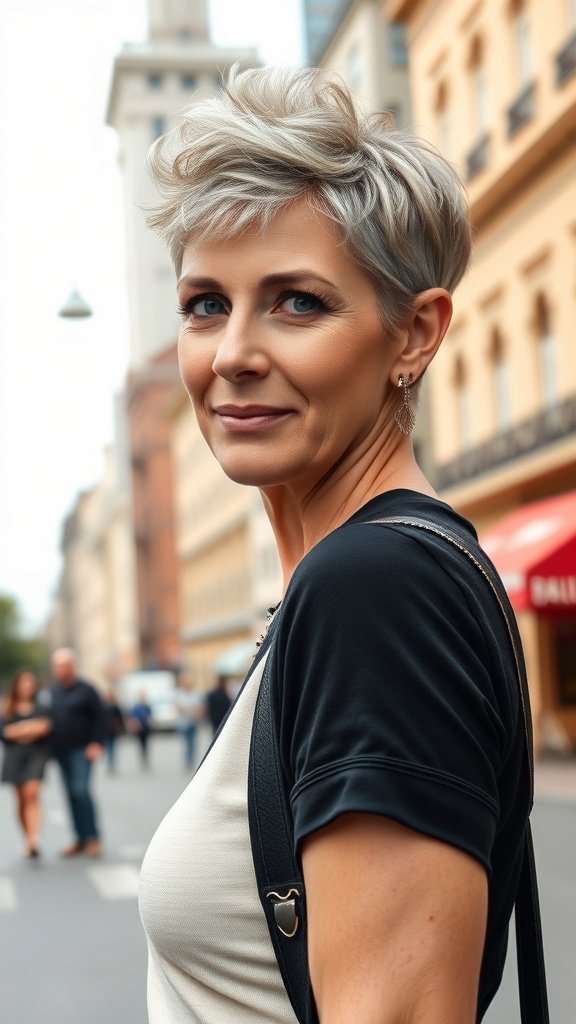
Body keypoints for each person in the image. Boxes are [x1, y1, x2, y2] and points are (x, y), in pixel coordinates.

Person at [137, 67, 537, 1023]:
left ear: (415, 334)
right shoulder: (355, 582)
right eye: (205, 304)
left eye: (298, 303)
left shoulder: (377, 588)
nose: (233, 353)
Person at [49, 647, 105, 858]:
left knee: (81, 790)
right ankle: (79, 838)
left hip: (82, 750)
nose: (59, 669)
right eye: (56, 666)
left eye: (63, 665)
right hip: (60, 751)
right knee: (70, 794)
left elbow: (100, 717)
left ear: (72, 666)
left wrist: (96, 743)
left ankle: (92, 837)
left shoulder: (86, 689)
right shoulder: (52, 692)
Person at [0, 669, 52, 858]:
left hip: (35, 754)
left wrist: (18, 730)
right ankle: (27, 836)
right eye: (23, 682)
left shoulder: (41, 706)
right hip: (14, 756)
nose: (27, 686)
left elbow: (44, 728)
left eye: (30, 682)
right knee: (21, 799)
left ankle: (33, 840)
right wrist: (30, 727)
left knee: (32, 793)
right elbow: (5, 733)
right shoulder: (7, 708)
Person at [173, 678, 205, 770]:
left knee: (192, 743)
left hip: (193, 722)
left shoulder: (196, 694)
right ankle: (188, 760)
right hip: (183, 723)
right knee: (187, 742)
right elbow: (178, 708)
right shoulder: (179, 694)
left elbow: (200, 709)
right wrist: (190, 709)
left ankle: (190, 760)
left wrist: (188, 709)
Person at [102, 687, 126, 774]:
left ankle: (112, 763)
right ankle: (110, 763)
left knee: (112, 747)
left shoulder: (114, 706)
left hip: (112, 730)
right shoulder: (103, 706)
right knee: (108, 747)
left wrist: (122, 729)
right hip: (105, 730)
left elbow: (120, 718)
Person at [127, 691, 153, 769]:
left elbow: (150, 716)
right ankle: (142, 758)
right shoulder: (136, 707)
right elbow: (131, 717)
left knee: (146, 744)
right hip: (138, 728)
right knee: (140, 744)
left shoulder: (147, 707)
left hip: (146, 728)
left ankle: (145, 758)